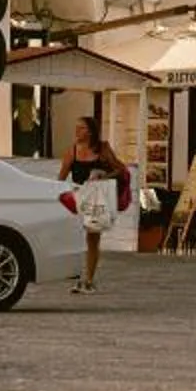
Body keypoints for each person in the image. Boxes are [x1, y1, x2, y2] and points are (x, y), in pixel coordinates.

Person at [59, 116, 125, 292]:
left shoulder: (102, 148)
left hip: (96, 198)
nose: (77, 132)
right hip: (78, 197)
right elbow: (61, 178)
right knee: (74, 238)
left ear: (90, 131)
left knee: (92, 238)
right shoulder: (71, 151)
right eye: (76, 128)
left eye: (81, 128)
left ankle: (88, 279)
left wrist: (103, 175)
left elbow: (120, 169)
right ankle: (77, 276)